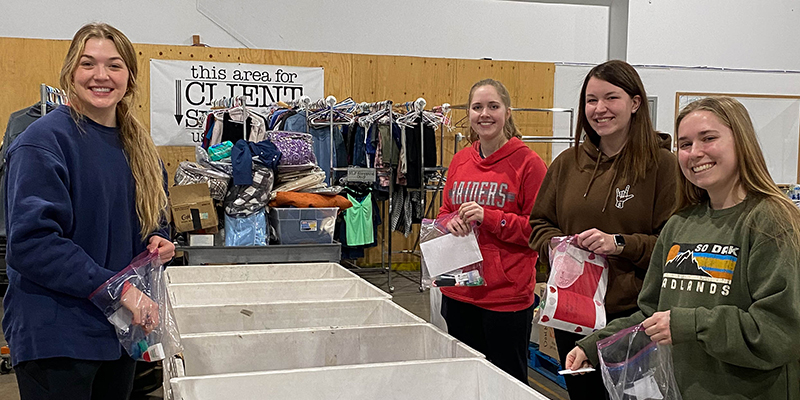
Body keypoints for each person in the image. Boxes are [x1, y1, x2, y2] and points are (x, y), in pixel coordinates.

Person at [566, 97, 800, 399]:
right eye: (685, 144)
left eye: (708, 138)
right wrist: (595, 344)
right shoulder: (680, 224)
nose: (695, 153)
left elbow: (779, 331)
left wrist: (690, 324)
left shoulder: (769, 219)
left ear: (741, 142)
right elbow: (651, 314)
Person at [3, 23, 175, 400]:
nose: (101, 76)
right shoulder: (42, 142)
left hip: (118, 333)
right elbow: (33, 244)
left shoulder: (140, 149)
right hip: (57, 337)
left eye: (114, 65)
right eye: (88, 64)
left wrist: (160, 240)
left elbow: (155, 220)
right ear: (70, 73)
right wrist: (119, 290)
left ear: (129, 77)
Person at [528, 60, 678, 399]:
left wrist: (620, 244)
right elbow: (538, 223)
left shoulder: (663, 166)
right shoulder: (567, 163)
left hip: (631, 316)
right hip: (572, 312)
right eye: (591, 100)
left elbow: (674, 246)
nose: (600, 109)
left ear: (635, 103)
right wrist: (558, 246)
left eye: (611, 98)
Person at [438, 78, 547, 383]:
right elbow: (445, 211)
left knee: (505, 383)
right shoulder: (460, 160)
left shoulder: (528, 164)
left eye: (493, 106)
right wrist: (451, 222)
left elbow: (538, 230)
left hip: (505, 299)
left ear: (507, 112)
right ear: (469, 114)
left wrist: (491, 218)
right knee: (465, 380)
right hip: (459, 289)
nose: (484, 114)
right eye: (477, 107)